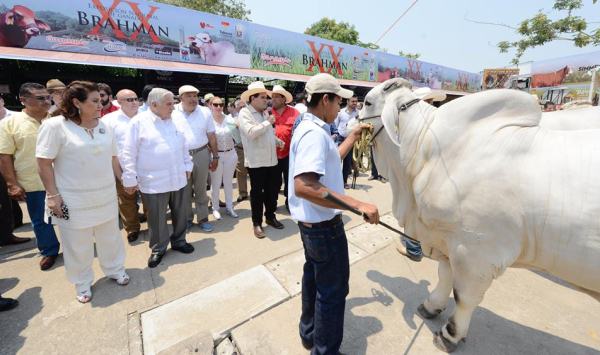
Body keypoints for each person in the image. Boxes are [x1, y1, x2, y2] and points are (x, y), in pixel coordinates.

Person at [289, 73, 379, 354]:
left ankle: (310, 333)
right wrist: (357, 204)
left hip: (312, 225)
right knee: (333, 291)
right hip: (324, 228)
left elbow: (329, 162)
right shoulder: (314, 134)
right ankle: (325, 350)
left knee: (314, 278)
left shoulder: (310, 125)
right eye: (338, 100)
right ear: (325, 99)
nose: (340, 106)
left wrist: (351, 137)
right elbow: (304, 185)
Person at [36, 81, 129, 303]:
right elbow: (43, 163)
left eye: (101, 100)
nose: (101, 104)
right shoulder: (55, 126)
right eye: (95, 101)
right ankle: (82, 281)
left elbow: (113, 157)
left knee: (110, 237)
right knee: (77, 244)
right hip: (72, 198)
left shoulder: (104, 126)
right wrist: (52, 196)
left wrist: (124, 181)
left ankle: (115, 269)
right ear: (77, 102)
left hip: (105, 196)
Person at [121, 88, 195, 268]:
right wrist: (130, 178)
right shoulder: (138, 122)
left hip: (178, 177)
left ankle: (179, 241)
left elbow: (184, 145)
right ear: (154, 105)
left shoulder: (176, 119)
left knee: (181, 213)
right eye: (169, 103)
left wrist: (188, 165)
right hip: (153, 181)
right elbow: (128, 153)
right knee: (156, 218)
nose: (174, 106)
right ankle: (158, 248)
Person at [0, 83, 59, 270]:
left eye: (48, 97)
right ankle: (49, 251)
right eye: (41, 98)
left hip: (65, 179)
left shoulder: (58, 119)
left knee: (70, 217)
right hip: (33, 182)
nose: (47, 101)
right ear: (23, 100)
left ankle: (77, 247)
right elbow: (4, 155)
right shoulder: (9, 124)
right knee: (41, 220)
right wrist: (12, 184)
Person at [239, 81, 284, 238]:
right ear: (253, 98)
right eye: (263, 97)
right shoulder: (245, 113)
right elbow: (251, 133)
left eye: (266, 97)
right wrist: (268, 122)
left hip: (272, 160)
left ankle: (270, 217)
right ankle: (256, 223)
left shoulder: (265, 113)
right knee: (257, 194)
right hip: (257, 162)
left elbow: (267, 133)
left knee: (272, 191)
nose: (267, 100)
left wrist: (277, 141)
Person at [172, 85, 218, 232]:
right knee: (184, 190)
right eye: (189, 96)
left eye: (195, 95)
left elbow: (211, 135)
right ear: (181, 98)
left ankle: (203, 218)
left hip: (202, 153)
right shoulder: (172, 111)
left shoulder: (205, 111)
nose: (193, 99)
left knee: (201, 188)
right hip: (180, 156)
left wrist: (215, 156)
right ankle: (187, 219)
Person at [102, 89, 143, 243]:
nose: (134, 102)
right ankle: (132, 228)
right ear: (119, 102)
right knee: (126, 201)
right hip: (122, 169)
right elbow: (109, 150)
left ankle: (153, 225)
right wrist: (119, 174)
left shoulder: (147, 117)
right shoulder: (109, 120)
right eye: (129, 100)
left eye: (135, 99)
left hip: (147, 169)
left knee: (150, 200)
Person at [208, 96, 238, 219]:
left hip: (231, 154)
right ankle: (215, 208)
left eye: (221, 104)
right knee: (215, 183)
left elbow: (239, 133)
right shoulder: (208, 121)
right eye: (215, 105)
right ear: (210, 105)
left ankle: (230, 207)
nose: (219, 107)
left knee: (228, 182)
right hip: (216, 155)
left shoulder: (230, 119)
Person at [271, 85, 299, 210]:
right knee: (273, 181)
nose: (273, 99)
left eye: (277, 97)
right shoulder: (267, 112)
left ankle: (290, 203)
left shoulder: (295, 112)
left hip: (290, 154)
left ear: (284, 99)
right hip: (272, 154)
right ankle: (272, 204)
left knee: (290, 180)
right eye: (273, 97)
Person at [334, 95, 359, 188]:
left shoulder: (358, 113)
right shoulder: (341, 112)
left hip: (351, 139)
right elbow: (335, 125)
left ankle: (344, 182)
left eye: (356, 101)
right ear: (348, 101)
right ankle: (334, 180)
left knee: (347, 163)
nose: (355, 103)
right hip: (340, 138)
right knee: (336, 160)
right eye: (353, 101)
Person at [232, 98, 249, 202]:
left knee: (255, 172)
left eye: (244, 106)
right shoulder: (233, 120)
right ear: (236, 108)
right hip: (240, 149)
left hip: (253, 149)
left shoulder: (253, 117)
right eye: (240, 107)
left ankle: (257, 191)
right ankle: (242, 193)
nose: (242, 108)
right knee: (241, 172)